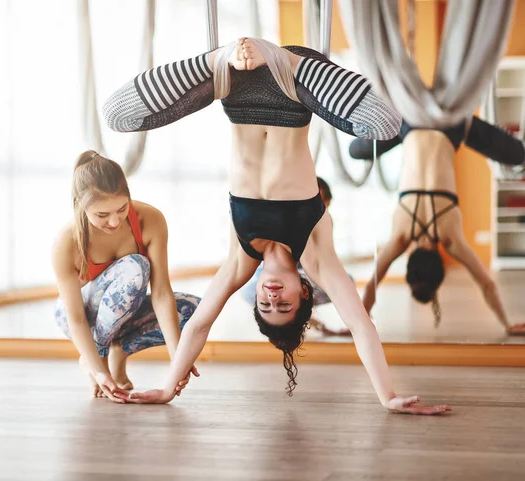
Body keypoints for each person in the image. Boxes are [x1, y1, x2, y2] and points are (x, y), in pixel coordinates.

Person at [103, 38, 450, 414]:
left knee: (117, 115)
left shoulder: (241, 259)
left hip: (236, 88)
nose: (271, 295)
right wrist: (388, 397)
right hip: (293, 86)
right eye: (282, 303)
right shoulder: (315, 254)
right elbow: (362, 326)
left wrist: (169, 387)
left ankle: (215, 58)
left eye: (266, 305)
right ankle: (283, 58)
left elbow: (200, 324)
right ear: (303, 292)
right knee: (386, 125)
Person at [52, 150, 201, 403]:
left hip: (124, 313)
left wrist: (179, 358)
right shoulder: (65, 243)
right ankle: (97, 358)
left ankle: (118, 351)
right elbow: (76, 318)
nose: (114, 221)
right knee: (135, 266)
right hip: (78, 317)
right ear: (80, 204)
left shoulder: (150, 220)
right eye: (101, 215)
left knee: (194, 310)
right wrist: (98, 370)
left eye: (121, 209)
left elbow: (162, 292)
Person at [354, 120, 525, 334]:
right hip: (409, 125)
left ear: (441, 266)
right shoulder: (401, 237)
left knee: (518, 155)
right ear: (409, 261)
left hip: (452, 128)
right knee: (355, 151)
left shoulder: (450, 237)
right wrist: (356, 326)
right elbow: (372, 285)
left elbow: (487, 284)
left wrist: (507, 325)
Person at [240, 177, 351, 336]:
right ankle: (301, 320)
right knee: (250, 290)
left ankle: (301, 317)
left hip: (306, 271)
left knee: (342, 283)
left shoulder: (322, 224)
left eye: (321, 202)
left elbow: (326, 264)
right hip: (282, 270)